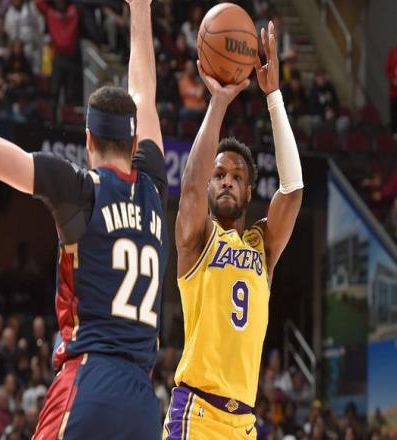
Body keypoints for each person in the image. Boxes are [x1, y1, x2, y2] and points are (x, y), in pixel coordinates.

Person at [0, 0, 168, 438]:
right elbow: (144, 95)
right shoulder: (155, 187)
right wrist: (141, 10)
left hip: (90, 381)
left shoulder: (78, 189)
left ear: (87, 140)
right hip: (144, 401)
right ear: (133, 142)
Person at [163, 20, 303, 439]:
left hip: (243, 423)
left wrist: (273, 97)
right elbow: (190, 188)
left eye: (236, 177)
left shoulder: (262, 245)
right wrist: (219, 102)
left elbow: (293, 189)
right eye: (219, 175)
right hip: (196, 413)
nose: (226, 181)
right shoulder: (197, 239)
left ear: (248, 191)